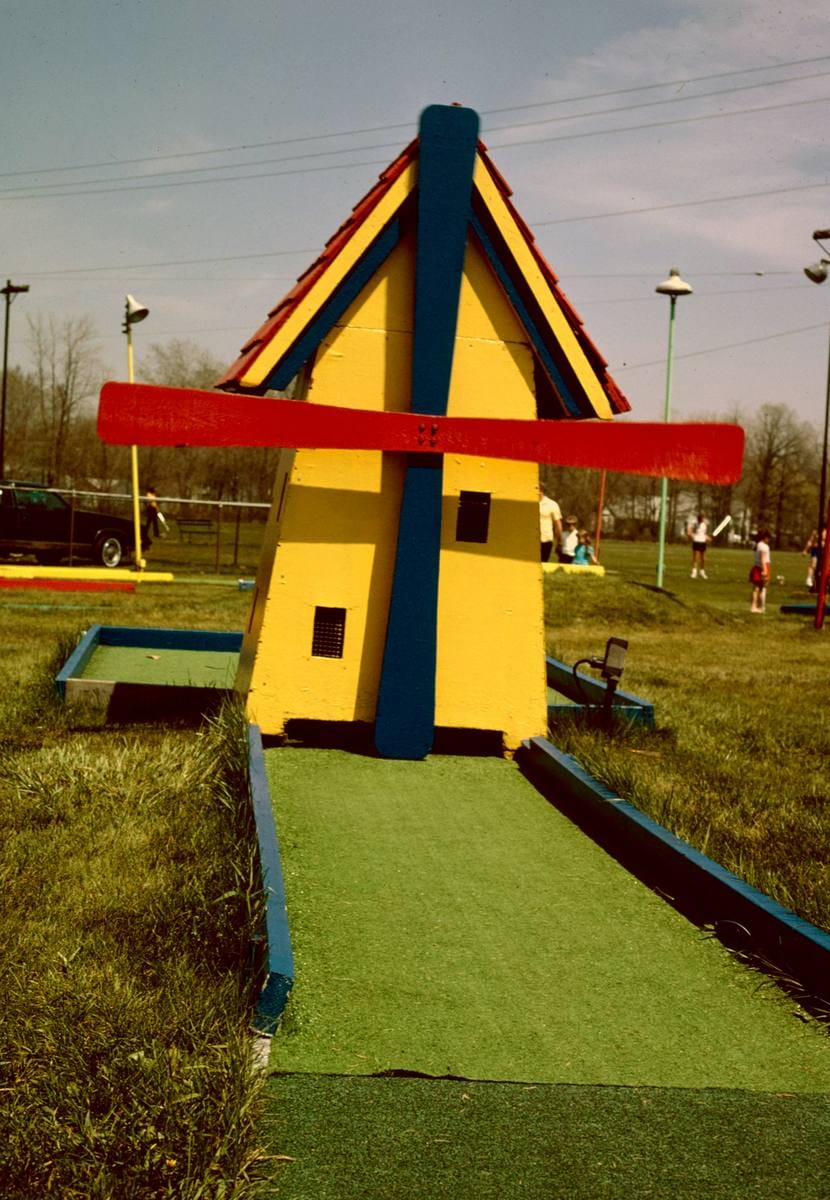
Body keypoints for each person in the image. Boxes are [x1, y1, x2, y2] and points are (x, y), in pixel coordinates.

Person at [750, 528, 771, 613]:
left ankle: (756, 606)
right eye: (768, 538)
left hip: (757, 567)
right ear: (765, 537)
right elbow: (763, 559)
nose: (769, 540)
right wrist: (765, 570)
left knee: (757, 588)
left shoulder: (758, 544)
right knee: (761, 588)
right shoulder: (764, 546)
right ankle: (759, 606)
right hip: (762, 567)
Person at [538, 486, 562, 563]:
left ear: (541, 491)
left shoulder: (552, 504)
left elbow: (558, 524)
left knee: (543, 563)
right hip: (529, 539)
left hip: (545, 540)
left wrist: (559, 541)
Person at [687, 511, 710, 578]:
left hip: (703, 542)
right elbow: (689, 532)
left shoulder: (705, 524)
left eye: (702, 517)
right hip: (696, 541)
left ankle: (702, 572)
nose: (701, 519)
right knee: (696, 558)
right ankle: (694, 572)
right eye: (700, 518)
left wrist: (707, 537)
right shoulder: (695, 524)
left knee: (703, 558)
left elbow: (704, 533)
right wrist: (692, 535)